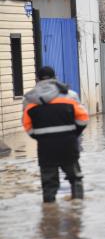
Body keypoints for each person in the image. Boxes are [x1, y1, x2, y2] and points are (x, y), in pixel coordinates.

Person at [22, 66, 89, 203]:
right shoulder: (69, 95)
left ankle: (49, 210)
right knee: (75, 177)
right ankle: (78, 206)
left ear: (37, 79)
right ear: (55, 78)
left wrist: (41, 136)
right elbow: (83, 119)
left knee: (48, 183)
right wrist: (73, 134)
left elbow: (27, 125)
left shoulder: (30, 99)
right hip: (68, 145)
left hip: (45, 148)